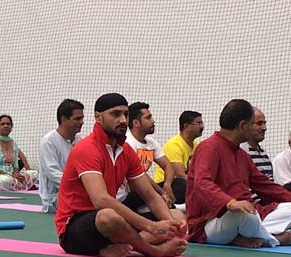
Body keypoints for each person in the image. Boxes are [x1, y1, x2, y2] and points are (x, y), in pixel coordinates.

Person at [55, 93, 188, 257]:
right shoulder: (86, 149)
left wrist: (171, 226)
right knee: (108, 216)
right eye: (115, 114)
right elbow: (100, 200)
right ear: (98, 117)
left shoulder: (125, 151)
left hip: (112, 221)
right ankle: (154, 250)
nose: (123, 120)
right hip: (75, 228)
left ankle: (118, 247)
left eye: (125, 114)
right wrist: (152, 227)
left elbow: (150, 196)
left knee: (177, 215)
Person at [186, 99, 291, 248]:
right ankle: (278, 239)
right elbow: (202, 184)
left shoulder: (241, 154)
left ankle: (250, 236)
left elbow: (266, 187)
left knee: (260, 212)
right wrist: (230, 203)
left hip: (247, 215)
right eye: (254, 124)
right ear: (242, 126)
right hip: (211, 222)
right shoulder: (209, 148)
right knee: (245, 215)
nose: (261, 128)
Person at [119, 102, 184, 209]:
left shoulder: (151, 142)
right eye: (148, 118)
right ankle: (171, 208)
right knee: (143, 192)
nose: (153, 121)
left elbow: (168, 166)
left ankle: (167, 206)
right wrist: (162, 192)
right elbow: (140, 175)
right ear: (136, 123)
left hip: (145, 187)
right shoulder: (128, 142)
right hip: (130, 192)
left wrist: (167, 186)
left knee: (180, 184)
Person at [39, 99, 84, 213]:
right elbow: (53, 174)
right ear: (64, 119)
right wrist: (84, 187)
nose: (82, 122)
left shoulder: (80, 141)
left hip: (78, 191)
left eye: (82, 118)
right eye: (77, 119)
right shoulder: (48, 141)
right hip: (54, 198)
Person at [0, 114, 38, 191]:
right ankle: (19, 184)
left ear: (12, 127)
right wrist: (10, 175)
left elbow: (15, 166)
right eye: (2, 124)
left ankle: (16, 183)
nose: (6, 126)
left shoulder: (13, 143)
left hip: (11, 176)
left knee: (34, 173)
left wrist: (16, 173)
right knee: (4, 180)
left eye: (8, 124)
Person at [154, 110, 203, 185]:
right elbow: (180, 175)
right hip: (165, 186)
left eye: (202, 123)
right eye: (198, 123)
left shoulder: (197, 145)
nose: (202, 127)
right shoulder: (174, 145)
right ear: (186, 126)